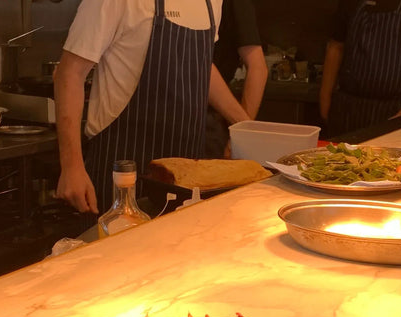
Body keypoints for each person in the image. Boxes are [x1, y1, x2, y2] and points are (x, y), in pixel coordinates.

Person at [53, 0, 251, 216]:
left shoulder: (211, 2)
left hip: (186, 175)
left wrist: (244, 126)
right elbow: (70, 73)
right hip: (123, 171)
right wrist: (71, 167)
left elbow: (203, 66)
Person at [319, 0, 401, 138]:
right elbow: (335, 48)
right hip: (346, 110)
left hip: (394, 110)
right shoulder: (352, 3)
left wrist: (400, 122)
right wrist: (325, 102)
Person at [205, 0, 268, 159]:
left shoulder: (235, 4)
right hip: (163, 117)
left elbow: (258, 67)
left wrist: (242, 131)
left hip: (207, 124)